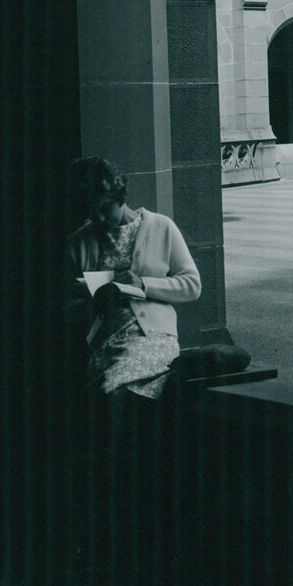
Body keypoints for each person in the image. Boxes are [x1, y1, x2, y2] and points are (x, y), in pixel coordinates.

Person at [67, 157, 202, 411]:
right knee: (109, 394)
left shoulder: (161, 227)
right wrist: (94, 302)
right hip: (106, 343)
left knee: (113, 391)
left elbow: (192, 285)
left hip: (154, 340)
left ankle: (115, 450)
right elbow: (69, 305)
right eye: (90, 210)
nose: (98, 218)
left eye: (104, 209)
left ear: (120, 195)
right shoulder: (79, 242)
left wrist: (143, 284)